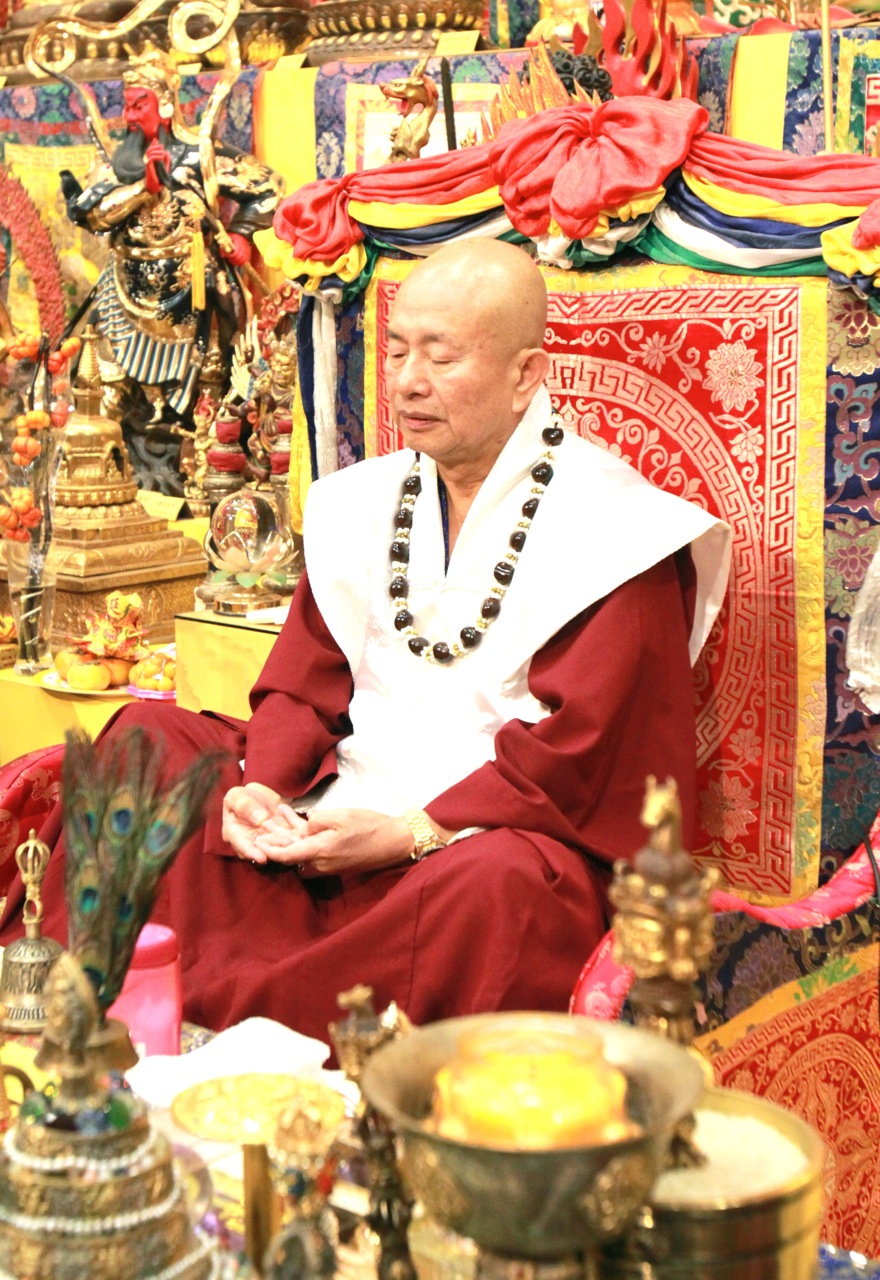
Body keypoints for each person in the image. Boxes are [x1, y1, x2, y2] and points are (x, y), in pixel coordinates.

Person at [0, 240, 729, 1046]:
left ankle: (295, 1046)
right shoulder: (363, 503)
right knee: (150, 737)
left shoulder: (618, 534)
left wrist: (410, 832)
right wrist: (263, 789)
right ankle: (83, 1012)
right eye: (398, 350)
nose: (408, 381)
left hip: (475, 842)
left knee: (506, 888)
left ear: (526, 374)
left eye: (440, 357)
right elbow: (303, 683)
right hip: (333, 807)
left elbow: (587, 761)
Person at [59, 44, 283, 487]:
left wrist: (241, 234)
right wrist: (143, 187)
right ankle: (113, 471)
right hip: (126, 293)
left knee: (205, 378)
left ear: (164, 103)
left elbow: (269, 187)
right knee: (110, 379)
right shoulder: (118, 163)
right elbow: (89, 212)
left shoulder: (200, 155)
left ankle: (200, 471)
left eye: (138, 104)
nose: (129, 115)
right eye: (126, 105)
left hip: (193, 293)